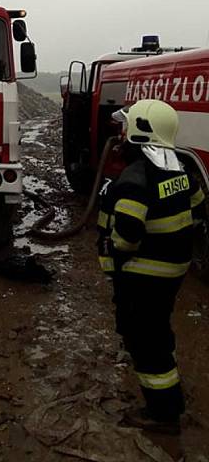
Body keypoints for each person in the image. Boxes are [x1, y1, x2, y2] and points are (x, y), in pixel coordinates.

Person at [97, 99, 206, 435]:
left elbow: (127, 236)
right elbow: (199, 212)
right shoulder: (180, 168)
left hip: (142, 275)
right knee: (158, 329)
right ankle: (167, 380)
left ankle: (163, 412)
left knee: (144, 340)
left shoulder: (134, 178)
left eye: (127, 125)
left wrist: (113, 250)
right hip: (171, 271)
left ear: (142, 131)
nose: (122, 131)